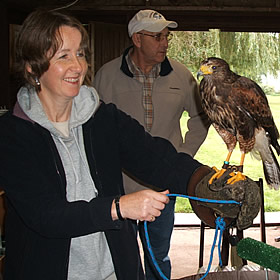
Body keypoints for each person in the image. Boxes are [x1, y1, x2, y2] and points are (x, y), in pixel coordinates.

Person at [0, 9, 205, 280]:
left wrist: (203, 180)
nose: (77, 66)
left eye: (80, 54)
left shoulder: (101, 116)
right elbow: (46, 215)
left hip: (113, 271)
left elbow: (152, 155)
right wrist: (119, 207)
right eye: (64, 56)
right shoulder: (12, 133)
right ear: (32, 67)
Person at [93, 9, 210, 279]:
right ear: (136, 39)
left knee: (158, 257)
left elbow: (201, 117)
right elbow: (93, 126)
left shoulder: (182, 76)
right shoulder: (106, 76)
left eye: (167, 36)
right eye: (157, 37)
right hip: (118, 189)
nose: (165, 42)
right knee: (120, 258)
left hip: (162, 190)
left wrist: (181, 155)